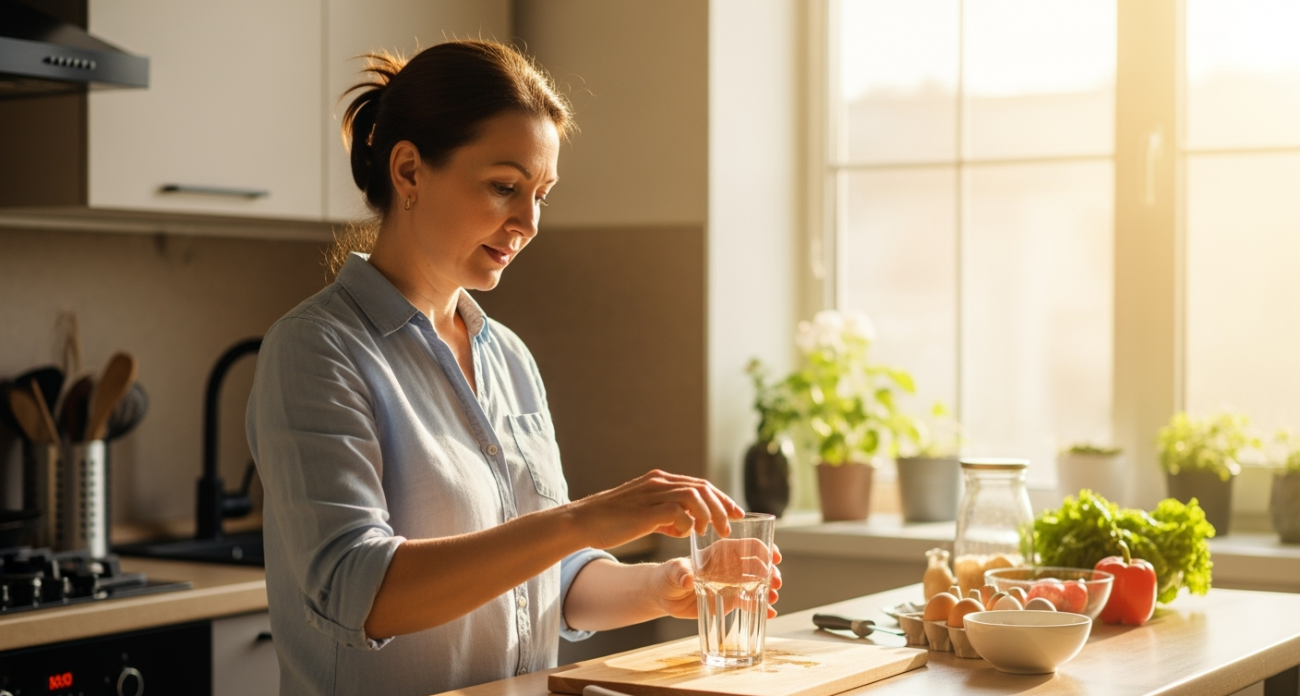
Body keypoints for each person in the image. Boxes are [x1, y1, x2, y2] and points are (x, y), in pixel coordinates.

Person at [246, 40, 781, 696]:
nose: (528, 221)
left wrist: (668, 587)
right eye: (505, 186)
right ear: (409, 171)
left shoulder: (508, 356)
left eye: (541, 194)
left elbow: (546, 578)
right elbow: (358, 592)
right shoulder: (316, 351)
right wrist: (580, 519)